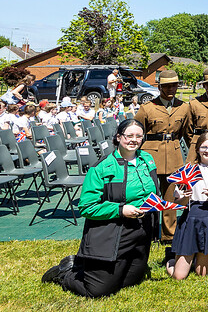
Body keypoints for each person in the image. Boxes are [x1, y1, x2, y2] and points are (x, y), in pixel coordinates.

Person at [42, 119, 157, 297]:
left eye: (138, 136)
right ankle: (64, 273)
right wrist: (121, 210)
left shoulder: (147, 159)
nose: (134, 140)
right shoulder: (101, 168)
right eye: (129, 136)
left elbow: (152, 192)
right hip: (112, 231)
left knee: (130, 282)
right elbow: (87, 207)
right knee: (98, 291)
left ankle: (92, 265)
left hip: (141, 231)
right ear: (118, 137)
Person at [134, 69, 190, 243]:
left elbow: (186, 133)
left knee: (170, 195)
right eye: (167, 85)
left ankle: (168, 234)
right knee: (148, 194)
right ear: (160, 87)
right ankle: (147, 232)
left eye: (174, 85)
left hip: (173, 154)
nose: (171, 88)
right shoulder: (147, 108)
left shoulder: (183, 107)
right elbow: (137, 131)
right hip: (151, 154)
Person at [167, 131, 208, 280]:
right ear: (197, 149)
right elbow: (179, 202)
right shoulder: (188, 170)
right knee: (179, 276)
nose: (207, 150)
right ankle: (171, 260)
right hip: (192, 215)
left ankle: (196, 259)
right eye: (203, 147)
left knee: (201, 274)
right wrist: (183, 197)